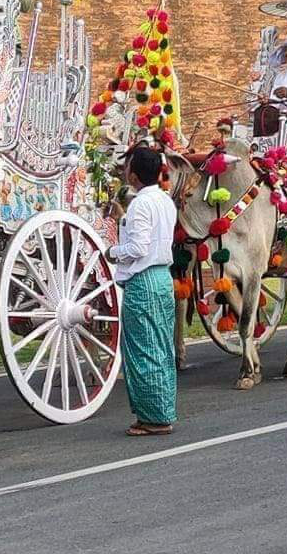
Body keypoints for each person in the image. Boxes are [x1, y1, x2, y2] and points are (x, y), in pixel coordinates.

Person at [105, 147, 178, 436]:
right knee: (161, 347)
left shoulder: (140, 205)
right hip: (162, 279)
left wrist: (112, 252)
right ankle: (162, 411)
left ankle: (154, 417)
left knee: (143, 348)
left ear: (133, 175)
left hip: (143, 282)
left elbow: (138, 248)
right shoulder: (165, 201)